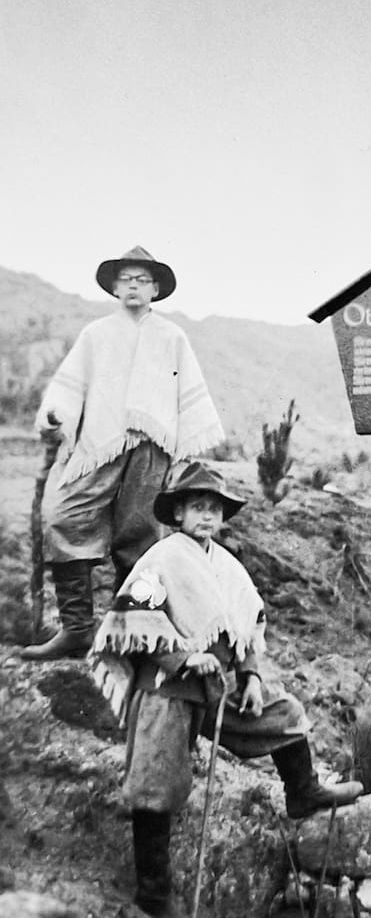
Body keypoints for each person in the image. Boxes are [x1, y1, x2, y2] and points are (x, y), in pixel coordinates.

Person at [90, 460, 364, 918]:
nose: (207, 517)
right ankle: (153, 896)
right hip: (168, 689)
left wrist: (251, 677)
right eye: (197, 507)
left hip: (217, 688)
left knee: (284, 714)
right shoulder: (161, 558)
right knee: (155, 785)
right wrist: (181, 657)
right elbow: (135, 622)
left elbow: (246, 624)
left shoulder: (227, 565)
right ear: (176, 514)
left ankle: (303, 791)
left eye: (214, 509)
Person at [22, 246, 225, 662]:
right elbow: (69, 386)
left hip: (151, 448)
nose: (134, 286)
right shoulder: (96, 334)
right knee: (64, 515)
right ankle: (77, 629)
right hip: (98, 445)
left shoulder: (172, 336)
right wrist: (56, 416)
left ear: (155, 289)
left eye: (142, 280)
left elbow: (188, 397)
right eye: (127, 279)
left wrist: (181, 450)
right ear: (115, 286)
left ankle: (128, 634)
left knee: (141, 538)